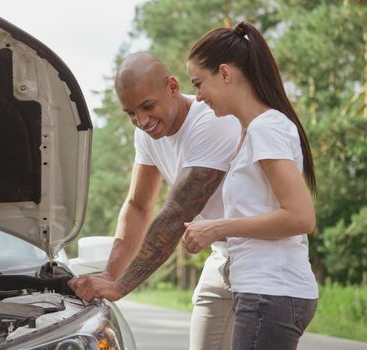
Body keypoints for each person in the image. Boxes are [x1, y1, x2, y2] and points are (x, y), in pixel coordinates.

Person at [68, 52, 240, 350]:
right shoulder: (147, 135)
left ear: (172, 86)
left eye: (148, 106)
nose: (142, 121)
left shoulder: (209, 120)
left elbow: (176, 214)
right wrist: (111, 272)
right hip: (221, 255)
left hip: (259, 255)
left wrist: (122, 284)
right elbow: (138, 205)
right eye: (131, 113)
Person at [183, 22, 318, 350]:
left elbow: (301, 217)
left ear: (225, 73)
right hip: (265, 293)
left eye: (199, 83)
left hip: (271, 293)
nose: (198, 97)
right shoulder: (253, 131)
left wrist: (218, 228)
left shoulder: (266, 129)